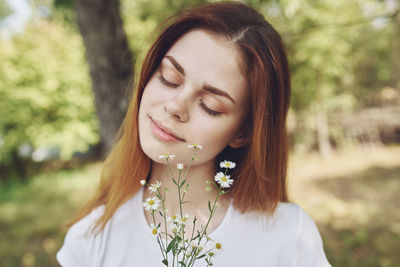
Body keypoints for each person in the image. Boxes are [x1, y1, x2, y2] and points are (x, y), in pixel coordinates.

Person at [57, 2, 331, 266]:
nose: (175, 106)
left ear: (244, 132)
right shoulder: (89, 242)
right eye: (168, 78)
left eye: (210, 106)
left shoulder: (290, 237)